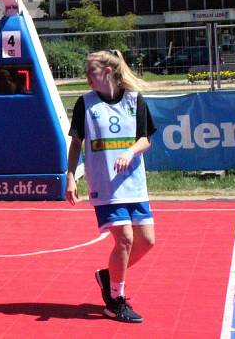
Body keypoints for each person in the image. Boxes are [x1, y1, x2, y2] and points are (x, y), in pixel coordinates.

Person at [65, 49, 157, 324]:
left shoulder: (134, 100)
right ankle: (116, 299)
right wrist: (70, 175)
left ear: (107, 72)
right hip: (104, 186)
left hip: (133, 183)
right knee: (125, 239)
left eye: (91, 71)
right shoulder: (86, 103)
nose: (86, 77)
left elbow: (146, 139)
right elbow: (76, 143)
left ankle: (109, 276)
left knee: (148, 242)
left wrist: (130, 152)